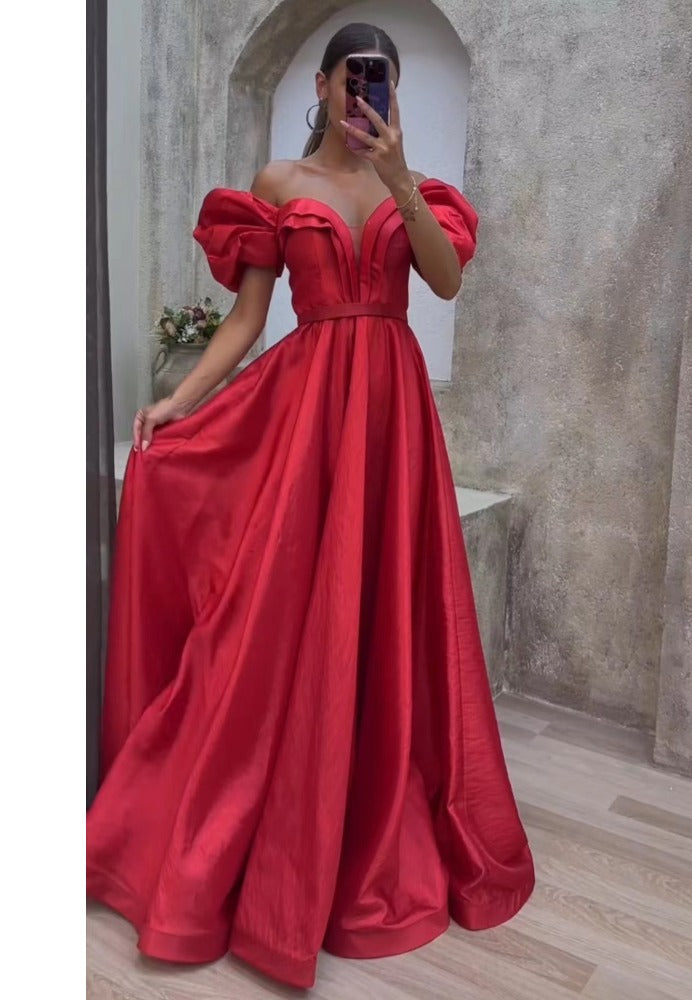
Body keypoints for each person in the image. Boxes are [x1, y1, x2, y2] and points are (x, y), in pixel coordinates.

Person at [86, 21, 535, 991]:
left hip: (390, 414)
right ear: (324, 85)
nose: (364, 93)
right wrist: (177, 402)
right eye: (351, 77)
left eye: (382, 81)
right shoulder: (278, 185)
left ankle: (370, 797)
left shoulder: (414, 188)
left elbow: (444, 280)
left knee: (385, 606)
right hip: (307, 411)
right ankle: (266, 812)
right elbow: (248, 320)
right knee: (276, 612)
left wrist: (402, 179)